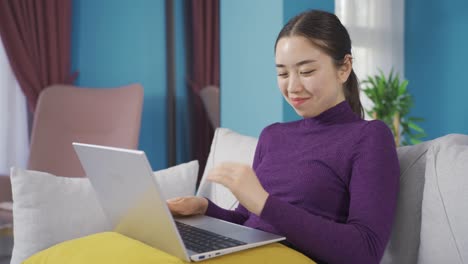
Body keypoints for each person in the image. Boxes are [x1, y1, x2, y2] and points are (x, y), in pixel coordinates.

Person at [168, 10, 399, 264]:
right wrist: (204, 208)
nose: (292, 87)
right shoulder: (273, 135)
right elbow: (247, 221)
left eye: (307, 71)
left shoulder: (369, 137)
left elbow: (365, 251)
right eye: (283, 73)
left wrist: (265, 204)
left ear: (344, 68)